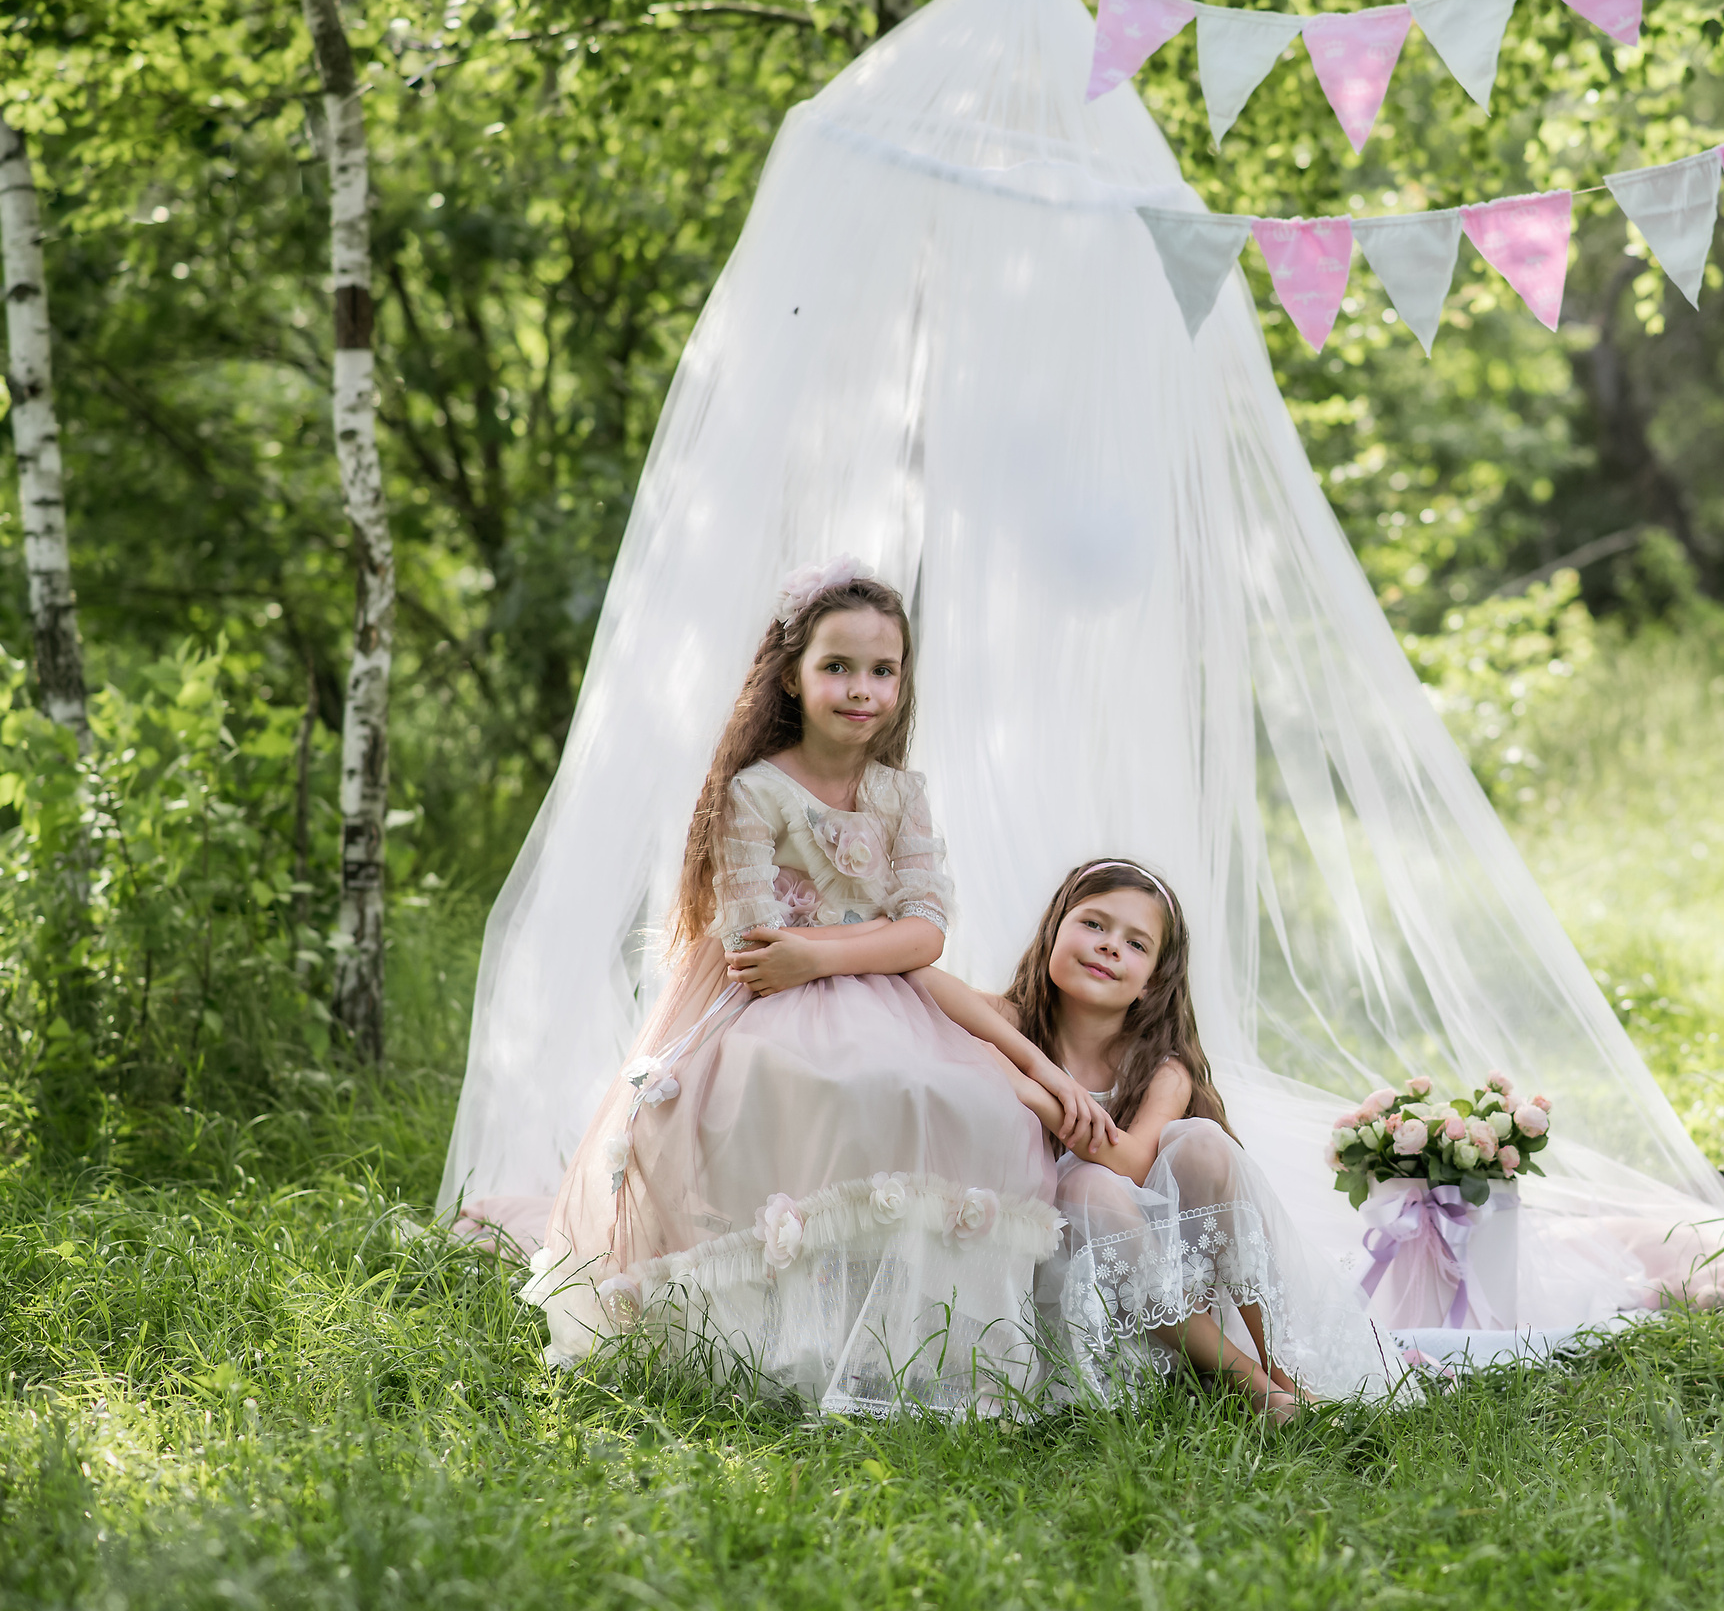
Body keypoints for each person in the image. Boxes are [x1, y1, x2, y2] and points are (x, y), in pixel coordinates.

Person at [518, 560, 1115, 1416]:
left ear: (902, 682)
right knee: (836, 1086)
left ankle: (909, 1343)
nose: (861, 689)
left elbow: (926, 930)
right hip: (767, 1007)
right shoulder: (756, 792)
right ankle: (794, 1340)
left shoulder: (900, 796)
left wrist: (831, 952)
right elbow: (763, 948)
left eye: (882, 670)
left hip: (886, 996)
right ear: (793, 676)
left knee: (967, 1102)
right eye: (837, 667)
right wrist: (858, 949)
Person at [919, 860, 1390, 1414]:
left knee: (1203, 1144)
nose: (1110, 946)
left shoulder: (1162, 1068)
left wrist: (1036, 1094)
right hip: (1067, 1272)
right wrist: (1031, 1065)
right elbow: (922, 977)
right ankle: (1251, 1386)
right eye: (1093, 924)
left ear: (1153, 984)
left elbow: (1135, 1160)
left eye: (1136, 944)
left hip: (1160, 1273)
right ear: (1053, 934)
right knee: (1084, 1188)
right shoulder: (1011, 1022)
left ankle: (1280, 1361)